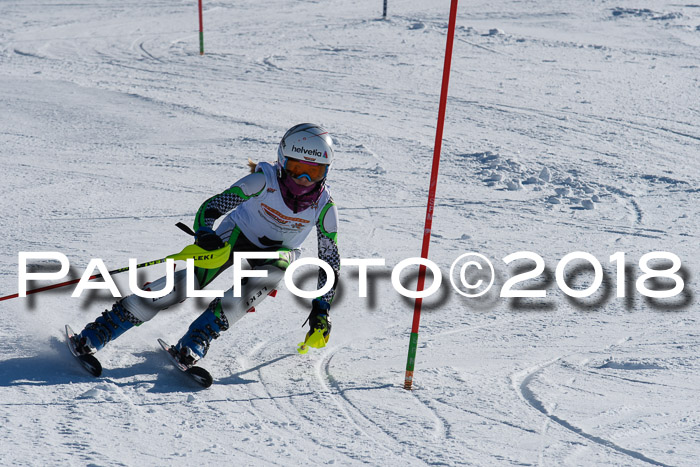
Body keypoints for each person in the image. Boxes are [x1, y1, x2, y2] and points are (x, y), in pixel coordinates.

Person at [71, 123, 340, 367]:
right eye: (296, 169)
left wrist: (321, 309)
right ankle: (100, 331)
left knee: (270, 276)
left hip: (277, 252)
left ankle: (197, 338)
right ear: (282, 161)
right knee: (184, 285)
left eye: (312, 172)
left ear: (325, 172)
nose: (302, 181)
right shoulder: (262, 180)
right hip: (237, 234)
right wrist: (204, 232)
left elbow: (329, 261)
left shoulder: (324, 205)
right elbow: (213, 206)